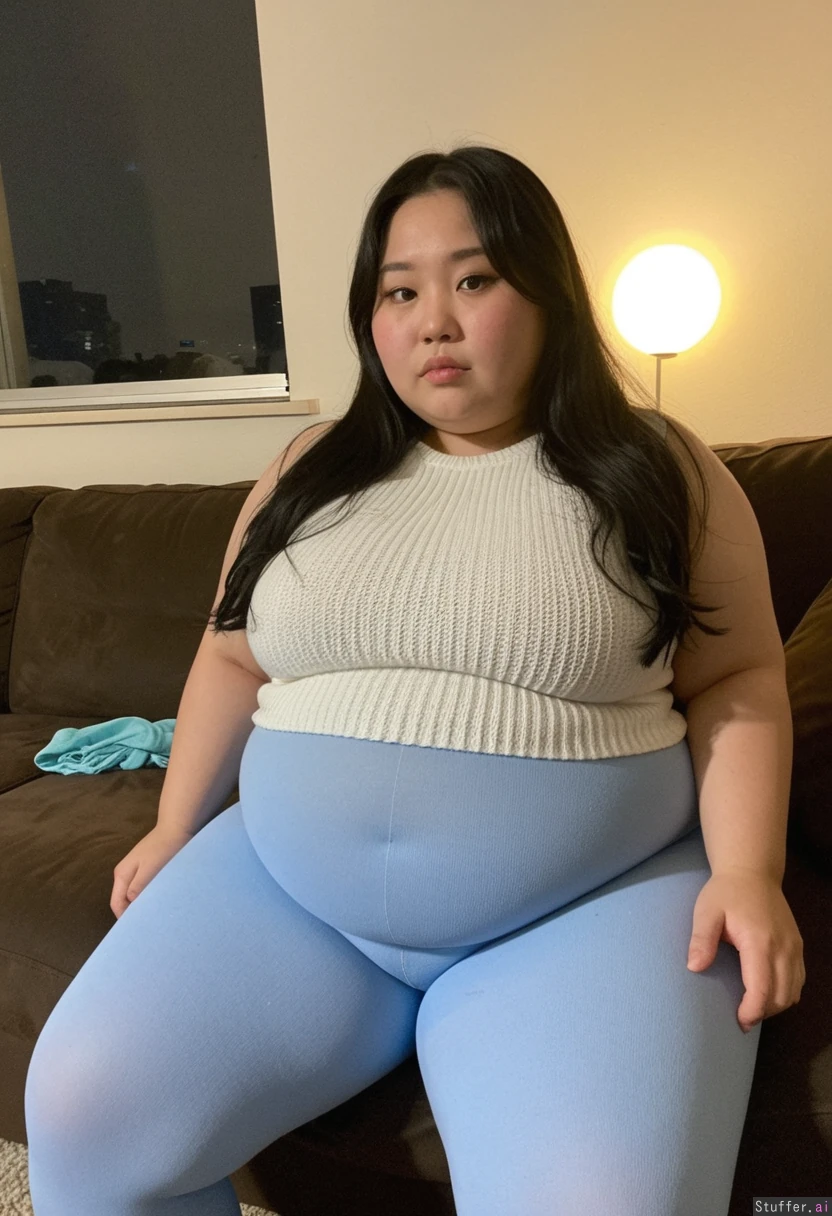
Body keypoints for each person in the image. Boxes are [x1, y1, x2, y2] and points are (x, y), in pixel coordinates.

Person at [24, 145, 805, 1216]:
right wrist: (171, 827)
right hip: (288, 895)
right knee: (83, 1118)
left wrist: (749, 870)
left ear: (550, 296)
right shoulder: (309, 469)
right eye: (400, 291)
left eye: (474, 279)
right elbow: (230, 653)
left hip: (585, 904)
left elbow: (739, 678)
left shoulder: (658, 470)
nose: (433, 320)